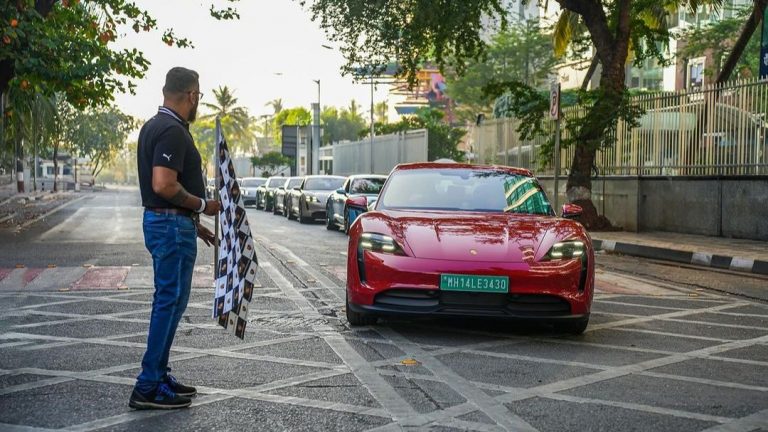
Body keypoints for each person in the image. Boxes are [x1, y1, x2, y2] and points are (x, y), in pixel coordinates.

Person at [131, 66, 220, 410]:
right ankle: (148, 385)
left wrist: (195, 224)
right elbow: (163, 185)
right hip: (169, 227)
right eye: (199, 95)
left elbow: (163, 191)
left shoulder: (157, 126)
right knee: (168, 302)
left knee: (172, 302)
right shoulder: (171, 130)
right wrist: (203, 205)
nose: (198, 101)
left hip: (171, 224)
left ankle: (158, 374)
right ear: (191, 95)